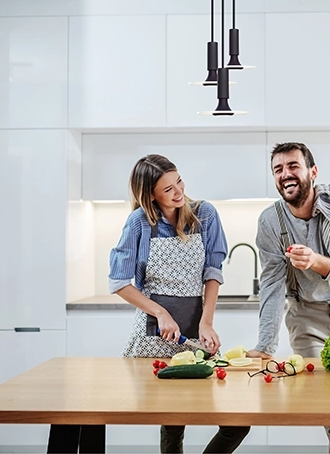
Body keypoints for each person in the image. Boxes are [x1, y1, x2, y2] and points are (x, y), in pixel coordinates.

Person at [108, 154, 250, 454]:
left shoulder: (204, 215)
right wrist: (160, 313)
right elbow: (118, 282)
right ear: (150, 195)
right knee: (172, 421)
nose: (179, 192)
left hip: (195, 326)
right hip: (153, 335)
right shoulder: (139, 223)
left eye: (179, 181)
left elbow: (213, 272)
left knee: (237, 421)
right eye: (168, 189)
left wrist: (207, 321)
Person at [247, 142, 330, 454]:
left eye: (293, 166)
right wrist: (265, 346)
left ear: (312, 172)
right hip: (305, 314)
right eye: (278, 169)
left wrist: (315, 261)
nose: (285, 174)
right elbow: (272, 284)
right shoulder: (270, 222)